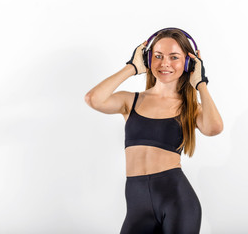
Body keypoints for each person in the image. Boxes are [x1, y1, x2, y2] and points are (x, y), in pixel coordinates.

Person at [84, 27, 223, 234]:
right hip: (136, 205)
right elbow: (93, 99)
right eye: (158, 56)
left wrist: (200, 84)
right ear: (148, 59)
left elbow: (213, 128)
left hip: (178, 202)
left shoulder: (191, 108)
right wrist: (131, 67)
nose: (165, 63)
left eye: (174, 57)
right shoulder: (131, 101)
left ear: (188, 63)